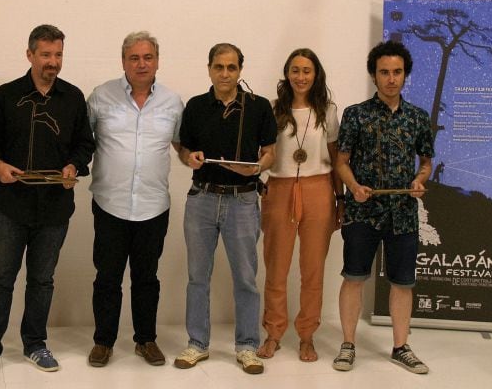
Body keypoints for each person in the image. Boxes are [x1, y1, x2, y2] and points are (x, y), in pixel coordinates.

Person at [0, 24, 95, 375]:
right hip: (11, 206)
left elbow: (84, 143)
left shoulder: (72, 97)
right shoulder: (6, 96)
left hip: (54, 208)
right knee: (0, 278)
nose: (52, 62)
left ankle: (35, 343)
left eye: (58, 55)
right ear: (30, 55)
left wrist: (74, 165)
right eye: (45, 54)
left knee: (42, 280)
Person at [332, 41, 433, 374]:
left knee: (403, 283)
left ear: (406, 75)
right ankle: (348, 345)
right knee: (354, 277)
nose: (391, 79)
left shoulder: (419, 118)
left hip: (403, 214)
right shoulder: (356, 114)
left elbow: (426, 163)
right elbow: (341, 162)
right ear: (374, 75)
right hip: (363, 212)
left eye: (397, 72)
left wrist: (419, 181)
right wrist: (354, 187)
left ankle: (401, 346)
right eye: (384, 72)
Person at [174, 43, 276, 374]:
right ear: (209, 69)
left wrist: (258, 168)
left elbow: (270, 152)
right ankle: (197, 344)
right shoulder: (196, 106)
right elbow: (183, 148)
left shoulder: (258, 107)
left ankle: (247, 346)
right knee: (197, 276)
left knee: (245, 277)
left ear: (240, 71)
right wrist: (189, 157)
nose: (225, 73)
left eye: (231, 67)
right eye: (219, 67)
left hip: (244, 200)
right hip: (202, 198)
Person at [86, 31, 184, 367]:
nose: (141, 64)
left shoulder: (172, 102)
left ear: (157, 59)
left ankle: (146, 340)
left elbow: (183, 146)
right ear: (123, 61)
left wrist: (195, 156)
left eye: (148, 57)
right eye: (134, 58)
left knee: (147, 278)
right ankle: (104, 342)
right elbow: (80, 141)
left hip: (153, 206)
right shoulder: (101, 97)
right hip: (109, 204)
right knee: (107, 277)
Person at [257, 48, 342, 362]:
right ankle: (274, 332)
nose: (301, 76)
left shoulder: (328, 111)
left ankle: (307, 336)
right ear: (287, 74)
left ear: (315, 74)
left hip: (319, 188)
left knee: (313, 269)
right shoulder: (273, 109)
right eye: (295, 70)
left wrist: (341, 198)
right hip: (279, 188)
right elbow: (264, 153)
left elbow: (335, 158)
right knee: (276, 267)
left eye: (307, 70)